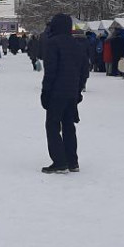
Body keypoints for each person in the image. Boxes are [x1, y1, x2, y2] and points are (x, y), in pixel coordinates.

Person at [40, 13, 88, 174]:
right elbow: (84, 71)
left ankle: (60, 161)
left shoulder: (53, 44)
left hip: (56, 92)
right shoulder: (78, 45)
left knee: (52, 126)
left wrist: (45, 91)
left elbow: (51, 71)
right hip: (71, 93)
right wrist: (78, 89)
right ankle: (72, 161)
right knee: (69, 126)